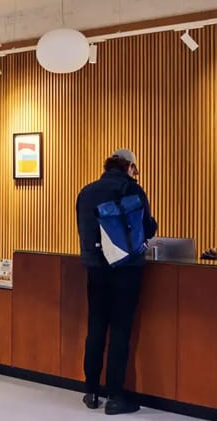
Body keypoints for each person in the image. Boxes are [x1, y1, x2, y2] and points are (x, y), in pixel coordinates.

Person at [76, 149, 158, 415]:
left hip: (95, 268)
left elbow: (84, 230)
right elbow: (147, 228)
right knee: (120, 331)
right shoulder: (132, 189)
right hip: (126, 268)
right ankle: (114, 396)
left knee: (96, 327)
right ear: (130, 166)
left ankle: (91, 391)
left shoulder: (87, 192)